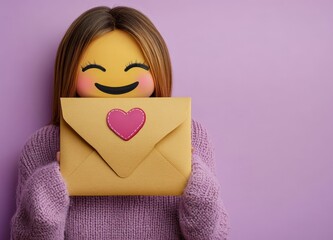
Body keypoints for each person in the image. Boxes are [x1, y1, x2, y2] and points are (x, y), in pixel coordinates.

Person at [10, 6, 230, 239]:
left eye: (134, 68)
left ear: (158, 67)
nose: (115, 79)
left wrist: (200, 190)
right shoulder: (43, 144)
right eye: (94, 69)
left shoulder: (191, 135)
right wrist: (46, 195)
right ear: (69, 71)